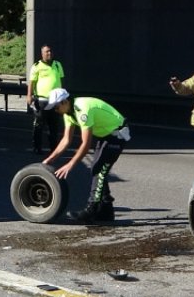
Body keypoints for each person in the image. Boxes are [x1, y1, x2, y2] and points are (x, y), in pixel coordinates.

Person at [42, 88, 130, 223]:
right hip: (105, 136)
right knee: (97, 169)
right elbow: (66, 140)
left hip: (117, 134)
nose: (55, 110)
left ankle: (92, 210)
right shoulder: (69, 114)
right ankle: (106, 211)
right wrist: (50, 159)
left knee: (99, 169)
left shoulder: (82, 109)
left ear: (64, 102)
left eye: (56, 107)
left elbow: (86, 144)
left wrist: (70, 164)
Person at [26, 44, 65, 154]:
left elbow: (61, 81)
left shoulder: (57, 65)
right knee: (39, 125)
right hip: (42, 101)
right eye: (47, 51)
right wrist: (29, 95)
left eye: (50, 51)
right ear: (42, 53)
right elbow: (32, 82)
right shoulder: (37, 66)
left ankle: (53, 149)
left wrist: (63, 97)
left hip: (55, 101)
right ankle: (37, 147)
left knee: (54, 126)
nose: (49, 53)